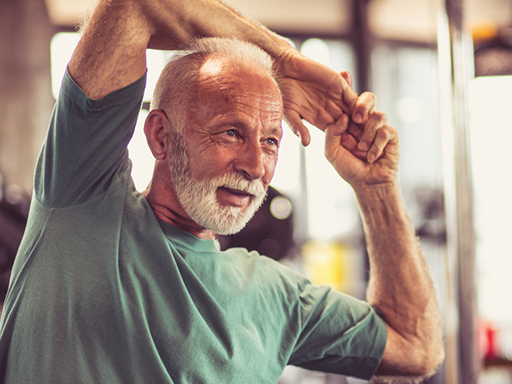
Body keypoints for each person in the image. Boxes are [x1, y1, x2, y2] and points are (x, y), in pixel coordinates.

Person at [0, 0, 444, 382]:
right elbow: (133, 7)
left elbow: (416, 347)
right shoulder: (82, 203)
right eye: (231, 132)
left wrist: (377, 187)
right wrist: (281, 60)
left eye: (271, 141)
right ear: (160, 136)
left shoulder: (276, 298)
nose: (255, 167)